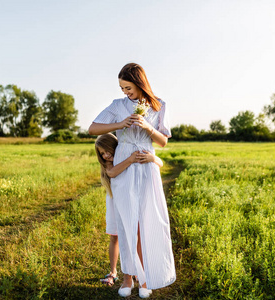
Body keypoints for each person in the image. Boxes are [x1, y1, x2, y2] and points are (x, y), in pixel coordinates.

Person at [89, 63, 176, 298]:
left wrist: (147, 126)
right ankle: (127, 278)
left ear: (139, 83)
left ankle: (146, 278)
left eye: (127, 87)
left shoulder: (159, 105)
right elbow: (92, 128)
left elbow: (163, 142)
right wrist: (120, 124)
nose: (125, 92)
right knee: (127, 223)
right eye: (122, 88)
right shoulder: (118, 106)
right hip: (125, 164)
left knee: (147, 221)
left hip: (147, 166)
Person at [95, 133, 163, 287]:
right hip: (115, 202)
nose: (105, 155)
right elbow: (112, 173)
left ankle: (138, 271)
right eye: (102, 153)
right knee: (115, 236)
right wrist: (130, 159)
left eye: (107, 151)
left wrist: (153, 158)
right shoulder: (111, 164)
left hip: (130, 199)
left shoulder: (125, 154)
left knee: (136, 235)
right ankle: (113, 272)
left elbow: (160, 163)